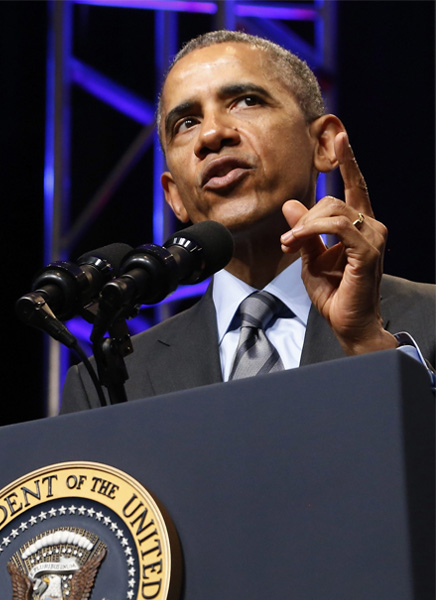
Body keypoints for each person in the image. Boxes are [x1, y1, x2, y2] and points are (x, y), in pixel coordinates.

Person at [61, 30, 435, 412]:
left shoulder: (429, 320)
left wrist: (368, 346)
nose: (211, 134)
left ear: (323, 144)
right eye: (186, 123)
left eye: (246, 101)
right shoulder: (108, 381)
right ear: (174, 195)